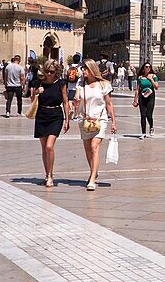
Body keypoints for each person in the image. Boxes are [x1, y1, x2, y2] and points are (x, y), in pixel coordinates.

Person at [77, 59, 117, 191]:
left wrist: (113, 122)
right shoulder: (81, 85)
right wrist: (76, 102)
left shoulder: (104, 85)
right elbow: (76, 102)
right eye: (82, 69)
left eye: (85, 69)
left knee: (94, 147)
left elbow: (109, 104)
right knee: (88, 150)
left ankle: (92, 178)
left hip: (100, 119)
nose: (83, 71)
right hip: (85, 120)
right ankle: (94, 170)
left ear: (92, 69)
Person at [31, 59, 70, 188]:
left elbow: (65, 101)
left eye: (51, 71)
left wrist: (67, 119)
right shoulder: (39, 83)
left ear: (56, 72)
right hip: (42, 115)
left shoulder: (61, 84)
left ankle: (51, 176)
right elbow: (32, 99)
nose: (49, 74)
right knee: (44, 148)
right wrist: (36, 93)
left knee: (49, 146)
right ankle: (48, 174)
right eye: (47, 71)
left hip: (56, 116)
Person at [133, 63, 158, 140]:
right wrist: (135, 100)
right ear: (143, 68)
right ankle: (143, 133)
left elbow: (156, 87)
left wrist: (151, 80)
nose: (148, 68)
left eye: (149, 67)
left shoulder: (154, 76)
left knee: (149, 115)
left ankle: (151, 126)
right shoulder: (140, 77)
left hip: (151, 97)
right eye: (146, 67)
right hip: (142, 97)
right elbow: (137, 89)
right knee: (143, 115)